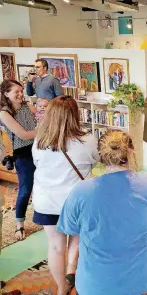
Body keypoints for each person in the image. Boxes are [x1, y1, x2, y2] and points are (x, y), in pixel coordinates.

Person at [57, 130, 147, 295]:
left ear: (100, 155)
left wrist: (71, 267)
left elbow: (71, 230)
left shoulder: (81, 191)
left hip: (95, 284)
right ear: (131, 151)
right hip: (141, 280)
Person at [32, 96, 99, 295]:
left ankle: (62, 288)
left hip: (47, 201)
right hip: (76, 202)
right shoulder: (87, 140)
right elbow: (94, 163)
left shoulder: (40, 141)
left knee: (54, 246)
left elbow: (38, 164)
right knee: (77, 238)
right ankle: (72, 271)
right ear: (75, 115)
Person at [0, 80, 37, 240]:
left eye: (22, 91)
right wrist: (45, 131)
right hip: (23, 153)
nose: (21, 94)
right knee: (25, 189)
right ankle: (19, 225)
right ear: (6, 93)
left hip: (40, 148)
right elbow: (23, 135)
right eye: (17, 91)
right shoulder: (4, 113)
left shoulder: (27, 105)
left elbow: (40, 118)